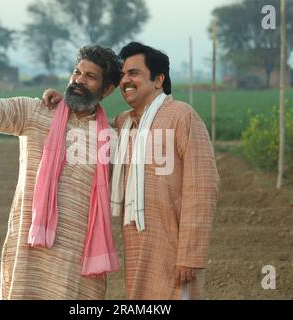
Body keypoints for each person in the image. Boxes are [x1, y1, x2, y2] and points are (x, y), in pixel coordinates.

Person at [43, 42, 220, 300]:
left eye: (134, 73)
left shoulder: (181, 116)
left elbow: (202, 187)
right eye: (123, 74)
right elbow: (88, 119)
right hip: (137, 247)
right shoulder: (123, 124)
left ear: (158, 79)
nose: (126, 80)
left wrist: (190, 256)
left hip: (174, 250)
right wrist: (65, 101)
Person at [0, 41, 121, 299]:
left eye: (90, 76)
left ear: (107, 89)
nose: (79, 80)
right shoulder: (35, 112)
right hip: (28, 250)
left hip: (76, 260)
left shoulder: (111, 138)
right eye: (77, 72)